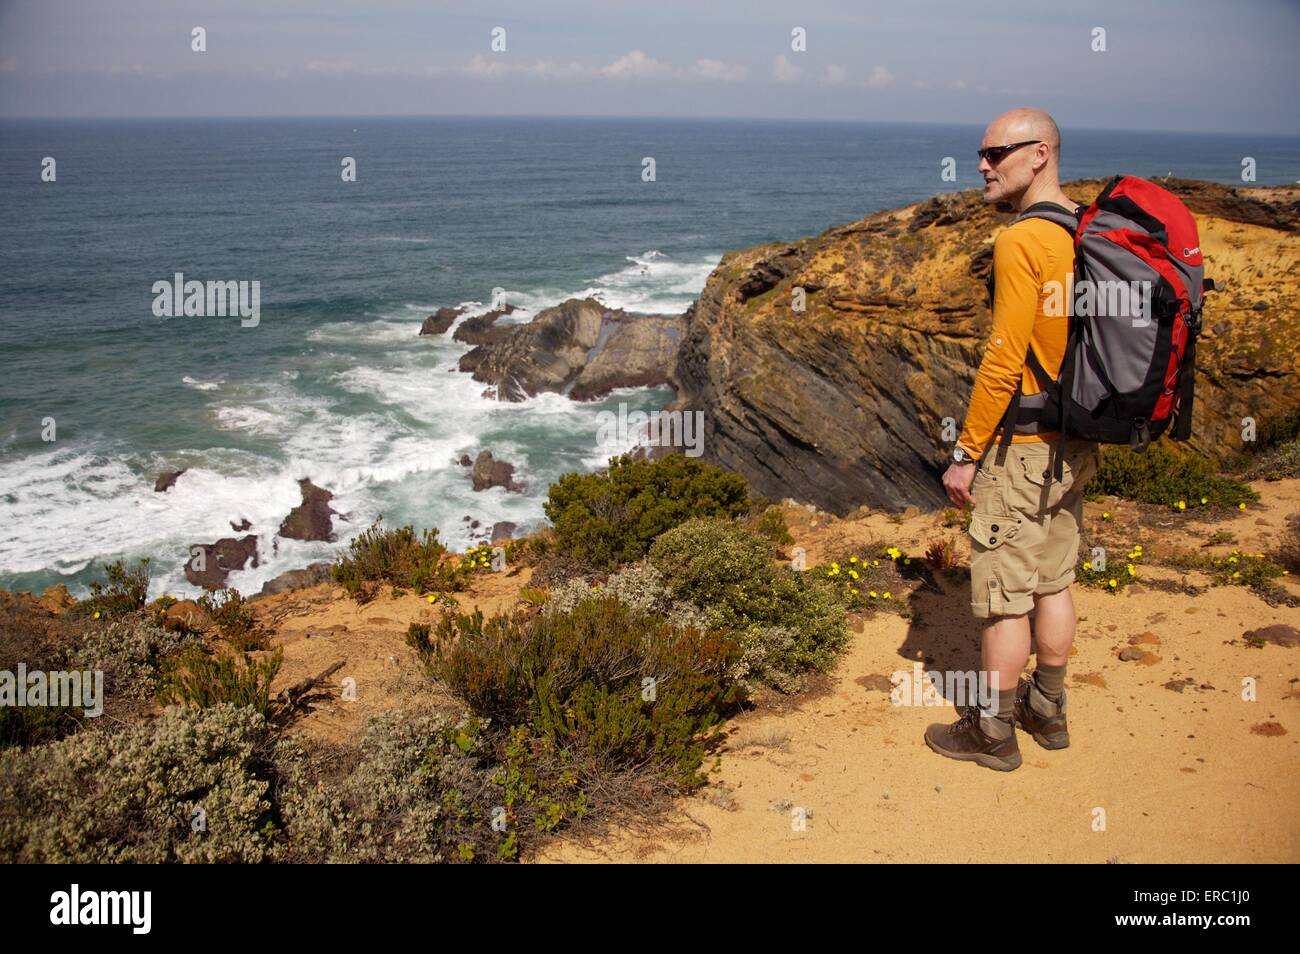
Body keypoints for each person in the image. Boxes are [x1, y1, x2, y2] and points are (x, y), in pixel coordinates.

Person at [925, 108, 1102, 772]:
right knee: (1053, 582)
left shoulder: (1022, 241)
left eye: (996, 152)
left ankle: (993, 734)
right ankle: (1047, 712)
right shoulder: (1085, 229)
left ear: (1039, 154)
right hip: (1076, 442)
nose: (981, 164)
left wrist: (966, 454)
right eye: (981, 152)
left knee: (1004, 597)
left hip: (1023, 448)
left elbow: (1004, 357)